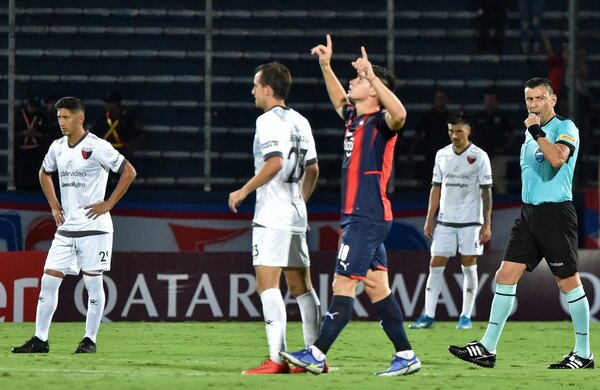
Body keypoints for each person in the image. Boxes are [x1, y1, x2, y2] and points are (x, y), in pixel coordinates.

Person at [279, 34, 421, 376]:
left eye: (358, 80)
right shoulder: (355, 120)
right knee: (376, 288)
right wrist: (325, 65)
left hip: (366, 216)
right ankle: (405, 355)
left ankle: (316, 353)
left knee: (342, 285)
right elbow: (338, 99)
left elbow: (400, 113)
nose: (351, 82)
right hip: (360, 217)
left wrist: (372, 76)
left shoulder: (381, 123)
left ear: (373, 91)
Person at [449, 77, 594, 369]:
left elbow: (557, 160)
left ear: (553, 100)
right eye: (529, 99)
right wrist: (534, 131)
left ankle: (583, 353)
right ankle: (488, 348)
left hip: (555, 214)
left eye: (540, 98)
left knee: (568, 283)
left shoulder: (564, 128)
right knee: (505, 275)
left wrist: (536, 130)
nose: (534, 104)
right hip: (529, 215)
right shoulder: (532, 133)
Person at [11, 97, 137, 354]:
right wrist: (54, 206)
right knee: (49, 280)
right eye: (59, 117)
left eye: (66, 117)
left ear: (80, 118)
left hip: (94, 227)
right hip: (66, 228)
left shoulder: (97, 146)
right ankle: (40, 339)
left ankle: (89, 339)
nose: (61, 122)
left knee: (92, 283)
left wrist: (109, 203)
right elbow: (44, 173)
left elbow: (129, 171)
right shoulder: (57, 147)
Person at [228, 62, 322, 375]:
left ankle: (277, 359)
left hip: (271, 216)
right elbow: (313, 169)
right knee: (302, 288)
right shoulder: (301, 121)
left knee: (268, 286)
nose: (253, 91)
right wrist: (300, 202)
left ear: (268, 89)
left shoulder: (266, 121)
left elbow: (274, 164)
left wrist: (242, 191)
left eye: (256, 85)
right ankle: (314, 357)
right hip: (296, 215)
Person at [409, 111, 493, 331]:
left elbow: (486, 192)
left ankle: (465, 317)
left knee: (469, 267)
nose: (454, 135)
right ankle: (428, 315)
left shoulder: (479, 156)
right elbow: (436, 187)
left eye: (459, 131)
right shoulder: (441, 155)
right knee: (435, 265)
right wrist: (430, 218)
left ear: (468, 131)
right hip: (445, 222)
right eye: (451, 131)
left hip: (471, 223)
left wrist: (487, 224)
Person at [471, 89, 515, 194]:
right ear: (484, 102)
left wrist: (504, 148)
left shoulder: (503, 117)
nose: (489, 102)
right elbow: (471, 134)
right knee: (478, 181)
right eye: (487, 100)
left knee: (498, 180)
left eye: (492, 100)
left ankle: (503, 207)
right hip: (481, 154)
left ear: (497, 102)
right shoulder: (478, 116)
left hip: (497, 154)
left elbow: (512, 134)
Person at [409, 89, 451, 190]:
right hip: (430, 152)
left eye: (443, 98)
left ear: (447, 100)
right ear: (434, 100)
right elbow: (417, 133)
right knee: (430, 181)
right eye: (439, 98)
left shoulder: (451, 117)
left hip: (447, 154)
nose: (441, 101)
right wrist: (411, 151)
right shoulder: (427, 116)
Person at [91, 92, 143, 161]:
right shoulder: (102, 118)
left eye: (108, 103)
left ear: (115, 104)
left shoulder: (127, 118)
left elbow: (139, 135)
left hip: (122, 155)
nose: (106, 105)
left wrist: (131, 150)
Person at [14, 95, 50, 190]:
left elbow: (47, 134)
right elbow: (14, 133)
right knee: (23, 173)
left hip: (37, 149)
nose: (33, 109)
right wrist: (24, 133)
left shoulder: (41, 116)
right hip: (22, 149)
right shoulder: (19, 116)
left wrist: (36, 135)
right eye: (31, 106)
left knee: (35, 173)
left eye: (35, 106)